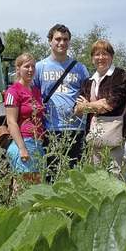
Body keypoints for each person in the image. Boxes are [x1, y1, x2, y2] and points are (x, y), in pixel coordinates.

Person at [33, 24, 89, 170]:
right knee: (53, 173)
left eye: (65, 39)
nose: (62, 43)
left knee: (76, 174)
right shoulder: (40, 67)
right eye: (58, 39)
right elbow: (31, 95)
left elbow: (88, 93)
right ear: (50, 41)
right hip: (51, 128)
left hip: (76, 128)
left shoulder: (79, 68)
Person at [75, 40, 126, 172]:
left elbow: (110, 104)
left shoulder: (119, 75)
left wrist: (87, 105)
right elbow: (76, 110)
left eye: (105, 54)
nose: (100, 58)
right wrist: (95, 104)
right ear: (92, 58)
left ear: (112, 56)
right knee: (96, 178)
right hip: (94, 137)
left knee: (115, 177)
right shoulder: (88, 82)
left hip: (115, 135)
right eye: (96, 55)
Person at [5, 53, 46, 185]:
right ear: (17, 69)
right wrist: (22, 148)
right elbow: (11, 122)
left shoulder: (36, 91)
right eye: (26, 66)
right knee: (23, 186)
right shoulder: (13, 91)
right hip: (23, 141)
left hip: (37, 141)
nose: (30, 70)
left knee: (37, 185)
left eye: (33, 66)